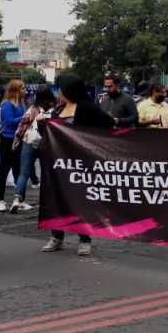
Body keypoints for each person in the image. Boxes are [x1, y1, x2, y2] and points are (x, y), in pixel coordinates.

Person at [42, 75, 114, 256]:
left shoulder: (86, 108)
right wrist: (41, 125)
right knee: (57, 200)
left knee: (79, 202)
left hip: (80, 166)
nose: (59, 92)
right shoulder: (59, 109)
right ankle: (56, 236)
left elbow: (108, 123)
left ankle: (84, 240)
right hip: (58, 165)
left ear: (68, 90)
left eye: (61, 89)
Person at [10, 85, 56, 214]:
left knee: (23, 172)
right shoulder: (56, 109)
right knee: (47, 174)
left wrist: (16, 140)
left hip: (29, 141)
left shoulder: (33, 108)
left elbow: (23, 124)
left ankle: (17, 200)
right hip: (47, 143)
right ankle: (47, 202)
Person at [0, 80, 27, 212]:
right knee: (4, 169)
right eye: (23, 89)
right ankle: (0, 200)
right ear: (16, 90)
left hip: (19, 139)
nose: (25, 91)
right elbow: (9, 121)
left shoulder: (21, 104)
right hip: (7, 139)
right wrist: (24, 117)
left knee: (19, 170)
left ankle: (20, 199)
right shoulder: (7, 104)